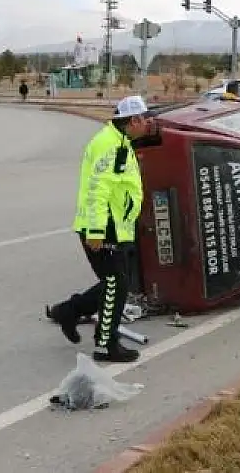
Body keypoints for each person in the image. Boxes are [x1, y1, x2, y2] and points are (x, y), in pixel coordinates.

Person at [45, 95, 153, 363]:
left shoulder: (120, 141)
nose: (149, 123)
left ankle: (68, 311)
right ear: (134, 120)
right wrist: (95, 231)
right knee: (116, 284)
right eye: (146, 119)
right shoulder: (111, 145)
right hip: (104, 227)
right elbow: (97, 189)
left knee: (116, 283)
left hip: (116, 225)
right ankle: (106, 344)